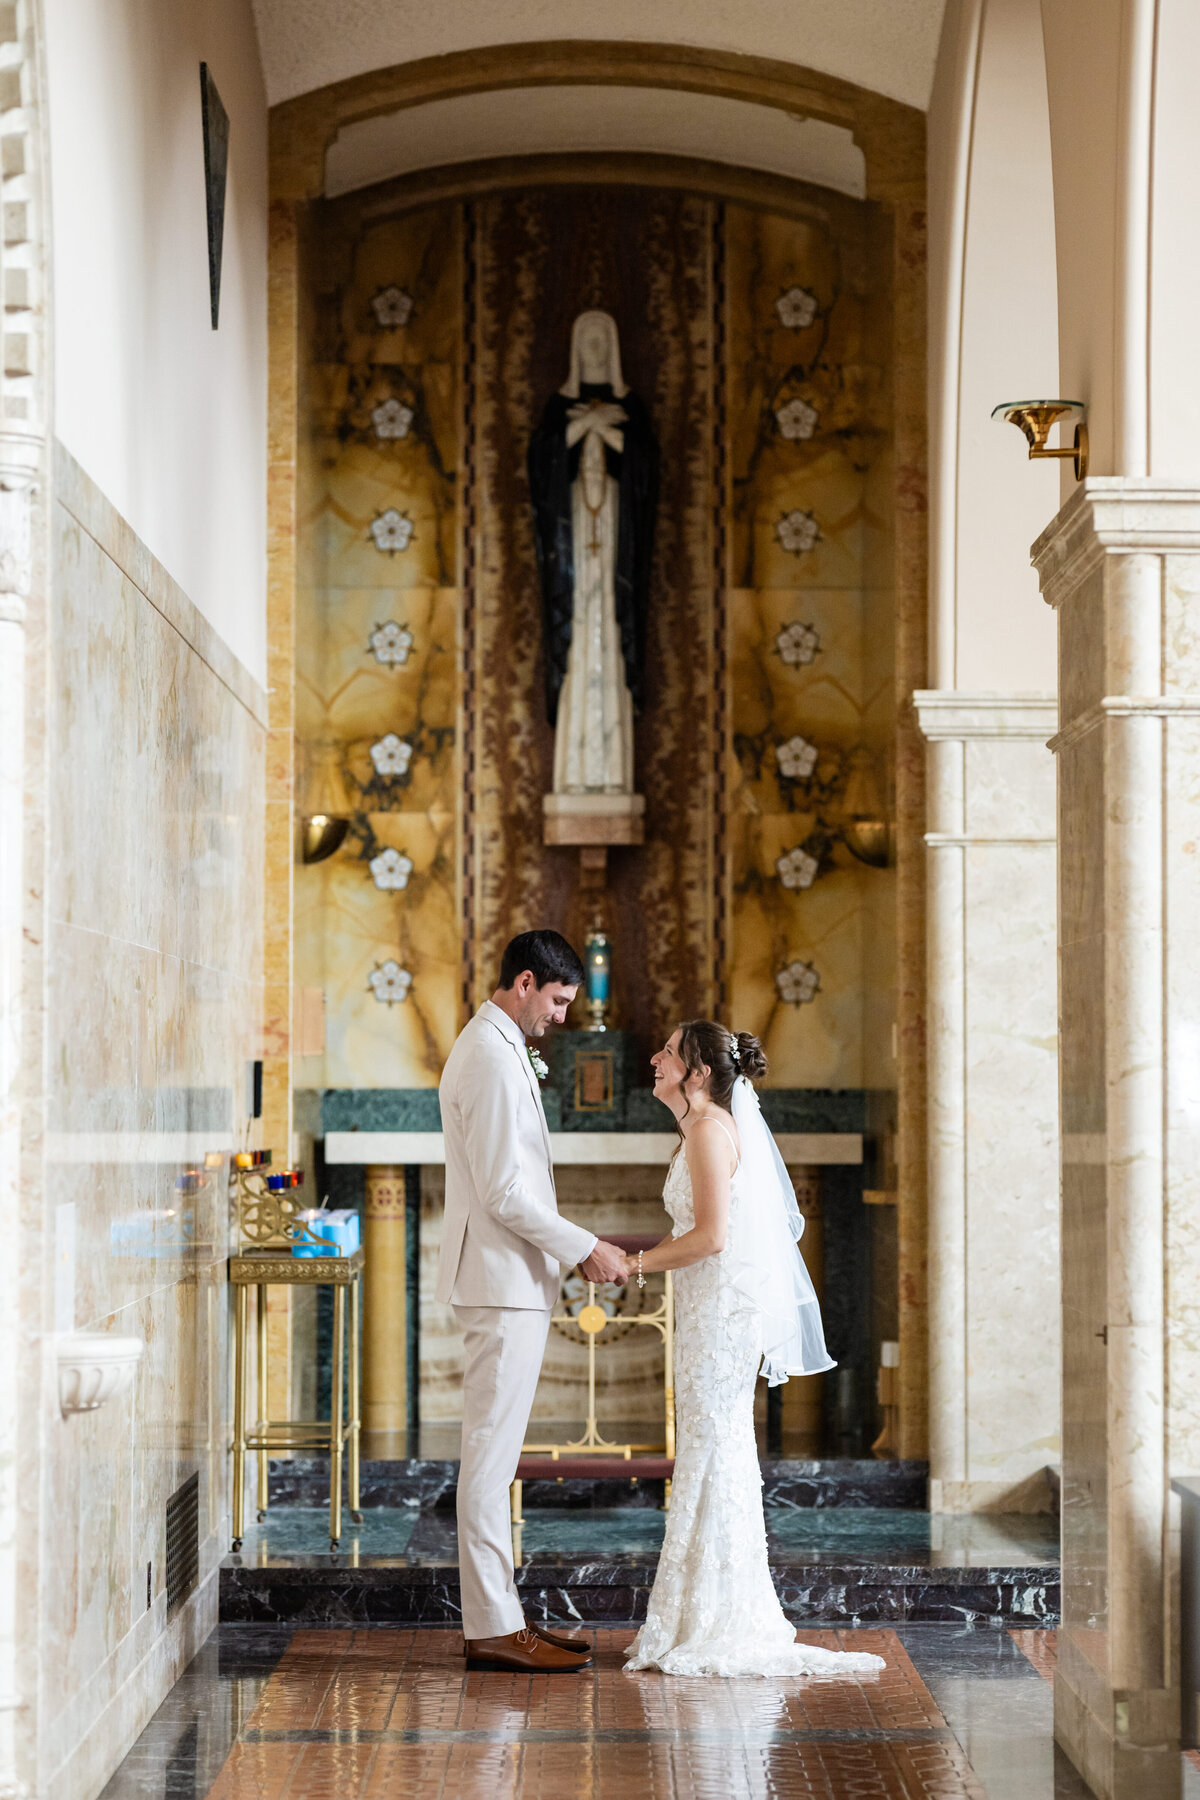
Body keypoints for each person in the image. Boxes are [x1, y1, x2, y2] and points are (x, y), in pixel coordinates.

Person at [622, 1021, 886, 1678]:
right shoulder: (702, 1129)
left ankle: (718, 1620)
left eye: (668, 1052)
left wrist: (634, 1264)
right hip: (709, 1313)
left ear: (699, 1074)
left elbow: (710, 1237)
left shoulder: (710, 1131)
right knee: (715, 1453)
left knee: (715, 1451)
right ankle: (706, 1613)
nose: (654, 1058)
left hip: (720, 1322)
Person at [437, 928, 628, 1673]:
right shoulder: (487, 1054)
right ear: (523, 983)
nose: (559, 1016)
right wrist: (583, 1245)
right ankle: (490, 1628)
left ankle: (503, 1617)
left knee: (497, 1459)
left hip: (509, 1280)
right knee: (488, 1463)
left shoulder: (501, 1046)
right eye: (554, 1000)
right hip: (497, 1280)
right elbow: (504, 1192)